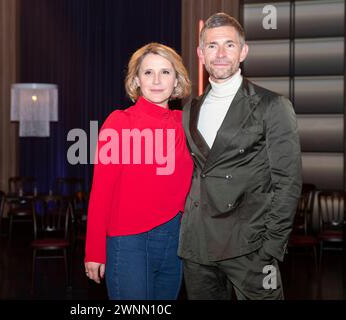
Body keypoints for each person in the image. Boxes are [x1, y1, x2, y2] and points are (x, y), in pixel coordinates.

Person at [178, 13, 302, 300]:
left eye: (229, 45)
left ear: (243, 51)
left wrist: (270, 248)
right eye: (212, 46)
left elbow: (288, 182)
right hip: (197, 247)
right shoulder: (189, 109)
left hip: (250, 247)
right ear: (200, 53)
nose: (220, 54)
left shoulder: (273, 106)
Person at [84, 42, 193, 300]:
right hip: (129, 242)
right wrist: (94, 251)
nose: (157, 80)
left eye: (165, 72)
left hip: (175, 241)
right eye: (148, 72)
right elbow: (101, 192)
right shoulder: (120, 122)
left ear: (176, 80)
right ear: (136, 80)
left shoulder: (186, 124)